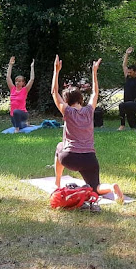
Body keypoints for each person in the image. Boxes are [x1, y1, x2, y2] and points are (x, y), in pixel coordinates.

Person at [51, 54, 124, 203]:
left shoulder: (68, 111)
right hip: (89, 158)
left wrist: (56, 71)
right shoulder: (89, 111)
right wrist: (94, 72)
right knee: (96, 187)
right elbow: (95, 92)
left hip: (70, 157)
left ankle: (57, 182)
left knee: (59, 146)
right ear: (80, 99)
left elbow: (54, 92)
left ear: (67, 101)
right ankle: (111, 187)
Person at [6, 56, 35, 132]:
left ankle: (17, 129)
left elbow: (32, 79)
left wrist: (32, 67)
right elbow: (8, 77)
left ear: (23, 83)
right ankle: (25, 124)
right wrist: (10, 65)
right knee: (20, 124)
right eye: (16, 81)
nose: (17, 83)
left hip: (23, 114)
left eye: (19, 81)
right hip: (13, 115)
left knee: (16, 112)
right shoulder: (12, 89)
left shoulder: (25, 90)